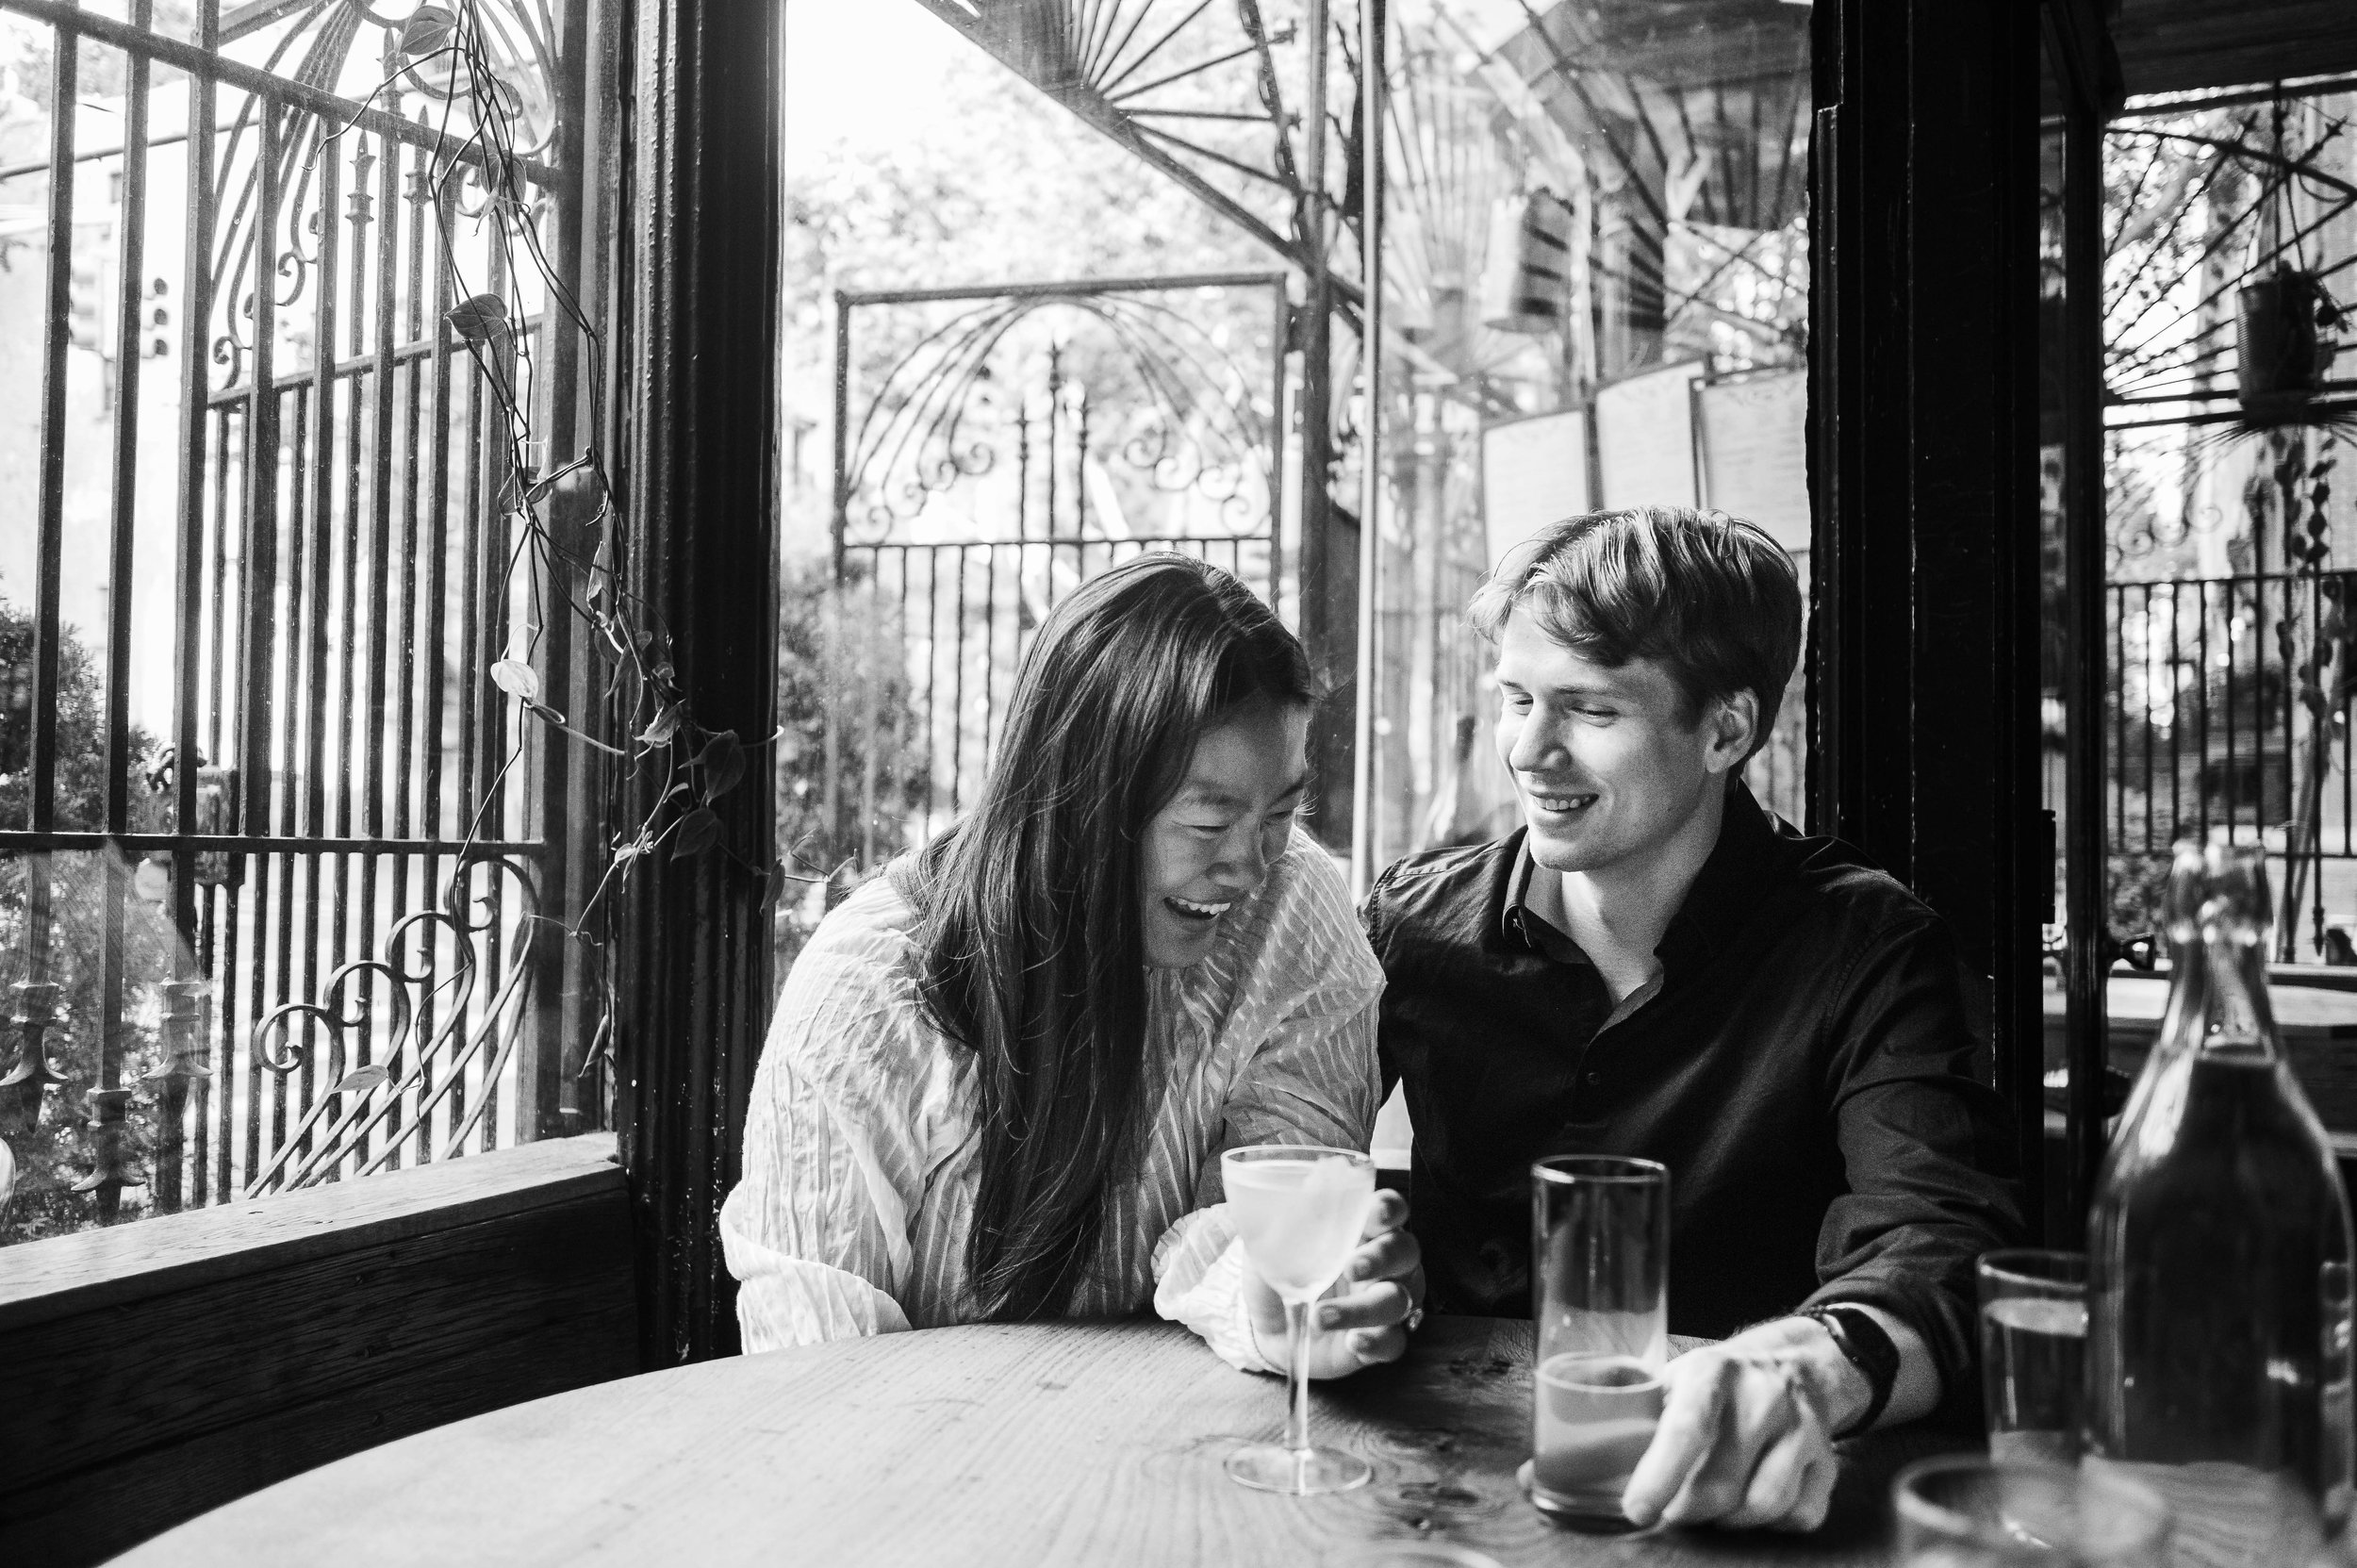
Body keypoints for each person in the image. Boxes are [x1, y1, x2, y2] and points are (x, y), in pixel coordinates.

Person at [1365, 507, 2024, 1532]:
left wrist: (1808, 1367)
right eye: (1516, 699)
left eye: (1589, 709)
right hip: (1425, 1489)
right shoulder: (1409, 922)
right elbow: (1275, 1153)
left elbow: (1941, 1243)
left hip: (1726, 1503)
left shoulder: (1868, 947)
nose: (1529, 749)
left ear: (1726, 730)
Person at [722, 553, 1424, 1378]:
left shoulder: (1293, 908)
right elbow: (814, 1361)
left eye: (1280, 811)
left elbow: (1267, 1225)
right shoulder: (870, 986)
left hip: (1187, 1433)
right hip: (924, 1443)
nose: (1251, 865)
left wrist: (1281, 1302)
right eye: (1208, 823)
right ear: (1077, 799)